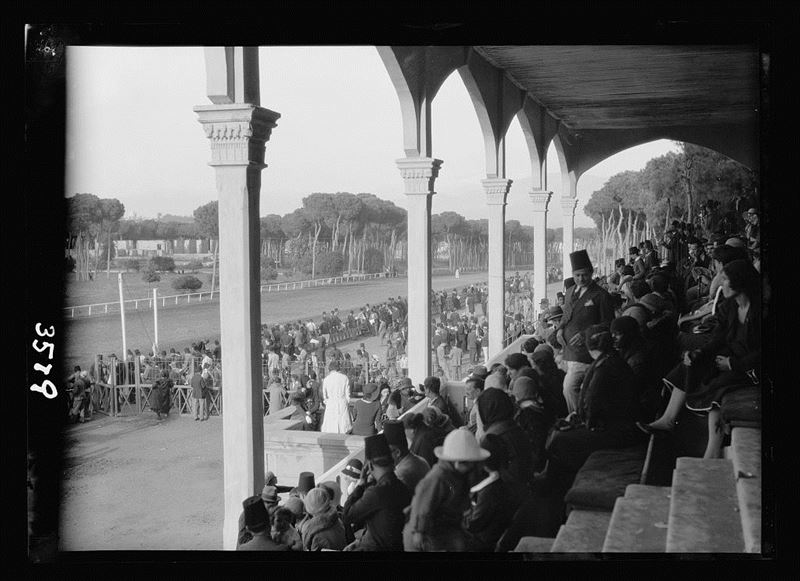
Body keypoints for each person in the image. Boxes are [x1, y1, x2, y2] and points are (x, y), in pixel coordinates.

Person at [639, 260, 761, 459]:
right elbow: (718, 339)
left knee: (717, 385)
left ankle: (711, 453)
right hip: (730, 358)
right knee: (690, 365)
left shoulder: (759, 310)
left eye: (726, 281)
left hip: (750, 368)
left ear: (740, 282)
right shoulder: (730, 307)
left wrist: (733, 364)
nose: (722, 286)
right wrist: (699, 353)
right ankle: (669, 419)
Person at [544, 325, 643, 493]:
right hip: (620, 426)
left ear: (588, 347)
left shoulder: (603, 368)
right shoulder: (612, 360)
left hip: (616, 431)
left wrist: (579, 421)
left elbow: (592, 405)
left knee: (559, 439)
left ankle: (554, 488)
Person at [403, 429, 489, 552]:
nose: (472, 467)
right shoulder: (437, 478)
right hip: (423, 531)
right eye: (469, 464)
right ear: (458, 462)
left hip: (445, 527)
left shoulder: (459, 475)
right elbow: (422, 506)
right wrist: (419, 532)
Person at [555, 249, 615, 414]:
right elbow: (566, 315)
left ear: (591, 273)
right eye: (577, 275)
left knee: (569, 387)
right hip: (567, 350)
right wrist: (560, 329)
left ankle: (580, 417)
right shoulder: (569, 292)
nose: (581, 279)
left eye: (584, 275)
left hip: (586, 353)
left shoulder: (601, 295)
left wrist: (586, 334)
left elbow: (608, 323)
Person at [342, 434, 412, 551]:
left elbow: (347, 516)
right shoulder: (403, 487)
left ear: (369, 466)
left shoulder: (377, 492)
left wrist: (360, 484)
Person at [477, 387, 536, 506]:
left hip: (505, 499)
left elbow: (484, 477)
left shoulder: (490, 438)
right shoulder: (515, 427)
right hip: (524, 492)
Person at [463, 433, 519, 552]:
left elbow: (472, 525)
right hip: (490, 532)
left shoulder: (489, 492)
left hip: (483, 542)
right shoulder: (503, 477)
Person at [383, 420, 430, 494]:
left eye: (386, 452)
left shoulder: (401, 475)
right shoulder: (422, 461)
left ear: (397, 452)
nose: (385, 456)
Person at [320, 360, 353, 434]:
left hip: (331, 403)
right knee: (343, 426)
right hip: (342, 402)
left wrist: (327, 402)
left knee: (330, 426)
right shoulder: (344, 378)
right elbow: (348, 394)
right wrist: (346, 401)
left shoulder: (326, 379)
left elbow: (324, 395)